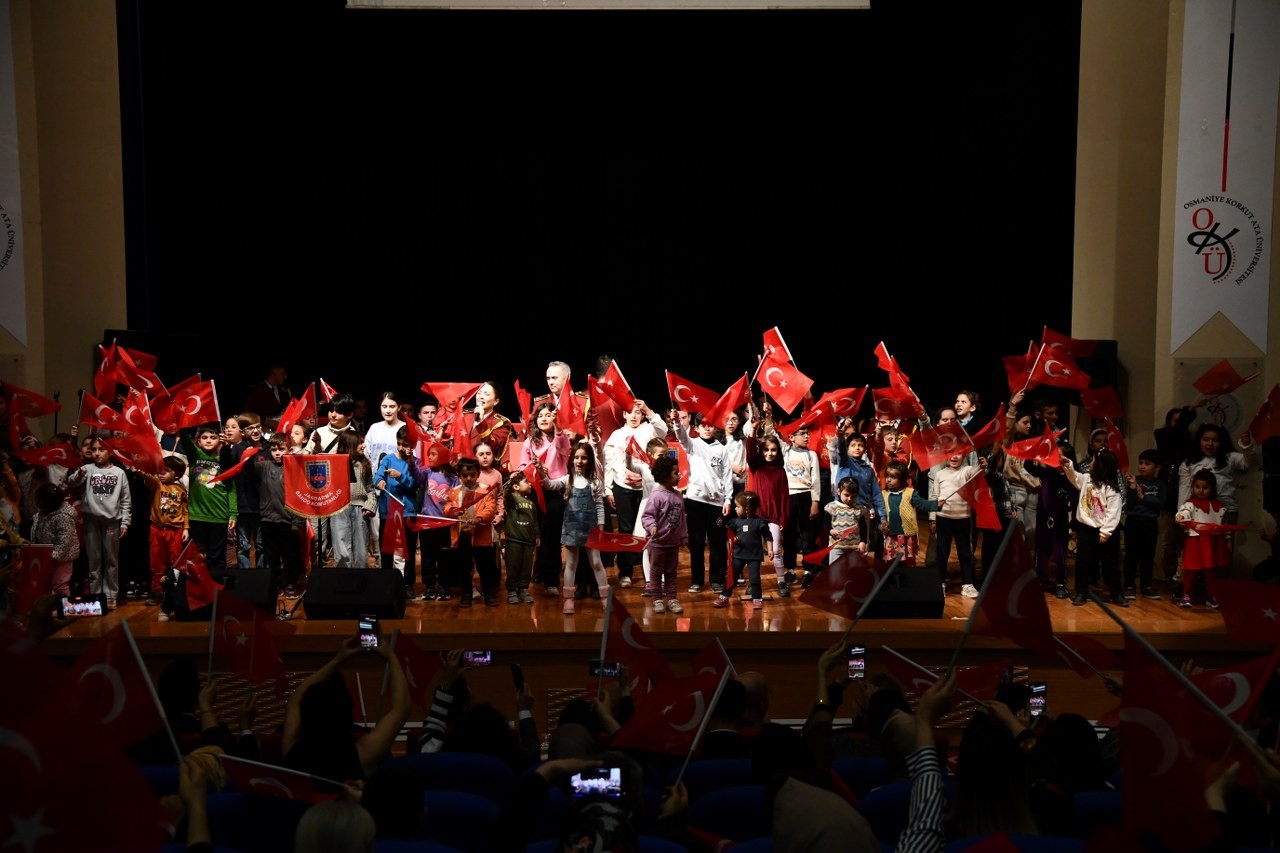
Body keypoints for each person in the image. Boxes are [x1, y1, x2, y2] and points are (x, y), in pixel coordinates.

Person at [283, 636, 410, 784]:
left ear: (305, 713)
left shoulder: (291, 752)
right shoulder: (363, 754)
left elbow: (296, 700)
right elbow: (402, 708)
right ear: (348, 714)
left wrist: (338, 659)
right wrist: (390, 656)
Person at [603, 399, 667, 589]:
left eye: (637, 412)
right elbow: (608, 464)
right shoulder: (616, 435)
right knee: (625, 530)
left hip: (647, 489)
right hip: (622, 487)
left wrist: (648, 410)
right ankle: (625, 572)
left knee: (650, 532)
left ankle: (652, 574)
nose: (634, 416)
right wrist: (608, 489)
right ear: (623, 415)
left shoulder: (648, 429)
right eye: (630, 412)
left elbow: (663, 430)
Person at [544, 432, 608, 615]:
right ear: (572, 460)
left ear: (589, 460)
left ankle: (605, 598)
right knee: (571, 564)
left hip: (591, 528)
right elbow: (550, 485)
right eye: (577, 458)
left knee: (596, 562)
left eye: (584, 458)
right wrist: (542, 473)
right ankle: (568, 600)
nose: (580, 461)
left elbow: (599, 506)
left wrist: (601, 528)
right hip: (572, 528)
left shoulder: (595, 482)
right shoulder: (567, 480)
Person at [66, 436, 132, 608]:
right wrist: (79, 474)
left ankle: (110, 596)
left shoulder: (119, 473)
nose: (96, 453)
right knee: (93, 560)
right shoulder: (87, 469)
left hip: (112, 522)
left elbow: (126, 500)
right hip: (91, 522)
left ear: (110, 451)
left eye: (101, 449)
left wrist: (125, 523)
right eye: (94, 449)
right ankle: (96, 597)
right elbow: (72, 482)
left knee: (111, 560)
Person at [674, 411, 732, 594]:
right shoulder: (692, 444)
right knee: (696, 543)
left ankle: (716, 580)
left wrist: (728, 499)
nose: (707, 428)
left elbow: (727, 476)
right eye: (703, 425)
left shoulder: (721, 449)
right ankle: (697, 581)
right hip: (695, 501)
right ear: (696, 428)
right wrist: (677, 423)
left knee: (717, 544)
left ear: (715, 427)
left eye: (710, 425)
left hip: (716, 503)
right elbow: (681, 436)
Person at [519, 401, 572, 595]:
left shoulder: (562, 437)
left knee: (553, 538)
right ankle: (537, 571)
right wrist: (533, 472)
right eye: (540, 415)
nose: (544, 418)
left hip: (555, 493)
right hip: (534, 492)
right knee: (537, 537)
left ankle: (552, 582)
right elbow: (522, 468)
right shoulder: (529, 442)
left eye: (548, 415)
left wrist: (558, 428)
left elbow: (564, 450)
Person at [1062, 448, 1125, 607]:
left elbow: (1114, 512)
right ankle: (1081, 592)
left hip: (1104, 531)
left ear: (1101, 465)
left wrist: (1106, 531)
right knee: (1082, 563)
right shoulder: (1086, 479)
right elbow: (1074, 477)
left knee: (1110, 564)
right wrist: (1068, 465)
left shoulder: (1111, 489)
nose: (1090, 463)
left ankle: (1116, 593)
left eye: (1093, 461)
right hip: (1086, 530)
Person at [373, 426, 426, 600]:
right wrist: (380, 481)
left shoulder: (415, 463)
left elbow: (413, 485)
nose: (402, 448)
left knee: (408, 550)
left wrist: (400, 476)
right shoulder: (388, 459)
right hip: (387, 511)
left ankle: (407, 584)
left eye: (406, 445)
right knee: (386, 549)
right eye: (399, 444)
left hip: (407, 511)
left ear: (412, 445)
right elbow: (377, 477)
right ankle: (386, 581)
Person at [252, 434, 306, 598]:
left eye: (281, 449)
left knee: (289, 555)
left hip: (287, 520)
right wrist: (250, 447)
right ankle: (277, 582)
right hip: (268, 519)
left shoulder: (294, 467)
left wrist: (297, 521)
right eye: (274, 449)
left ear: (288, 449)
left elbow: (300, 496)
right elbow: (246, 467)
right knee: (271, 555)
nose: (277, 453)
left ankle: (290, 582)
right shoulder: (264, 466)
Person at [178, 424, 236, 576]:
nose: (209, 440)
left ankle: (215, 595)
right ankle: (196, 595)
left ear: (220, 440)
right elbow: (184, 439)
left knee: (217, 560)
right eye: (204, 438)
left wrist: (233, 513)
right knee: (195, 560)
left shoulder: (225, 461)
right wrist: (182, 425)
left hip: (219, 518)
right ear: (198, 441)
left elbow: (231, 489)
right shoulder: (195, 456)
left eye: (213, 437)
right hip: (197, 517)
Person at [131, 455, 189, 606]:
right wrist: (140, 470)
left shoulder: (181, 490)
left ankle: (175, 591)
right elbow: (149, 477)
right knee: (157, 562)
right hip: (156, 529)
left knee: (176, 561)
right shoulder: (157, 484)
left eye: (167, 471)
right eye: (161, 470)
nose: (162, 473)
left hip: (175, 530)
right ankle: (157, 591)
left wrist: (186, 528)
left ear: (177, 474)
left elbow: (185, 511)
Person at [744, 409, 791, 596]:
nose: (769, 453)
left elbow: (784, 498)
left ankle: (781, 582)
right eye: (766, 450)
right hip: (756, 517)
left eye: (773, 450)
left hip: (773, 519)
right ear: (760, 451)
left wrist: (782, 520)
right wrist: (753, 431)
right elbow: (749, 452)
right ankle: (753, 583)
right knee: (754, 552)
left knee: (777, 551)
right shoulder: (756, 467)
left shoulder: (780, 473)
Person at [444, 457, 500, 607]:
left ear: (478, 474)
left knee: (485, 567)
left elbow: (490, 508)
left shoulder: (485, 490)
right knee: (464, 567)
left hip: (481, 536)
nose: (469, 478)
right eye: (464, 475)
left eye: (472, 474)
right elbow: (447, 506)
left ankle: (488, 594)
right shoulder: (454, 492)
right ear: (459, 475)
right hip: (462, 536)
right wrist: (452, 511)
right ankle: (466, 594)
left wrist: (479, 518)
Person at [928, 453, 985, 597]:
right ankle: (940, 582)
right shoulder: (940, 474)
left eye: (958, 453)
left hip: (963, 519)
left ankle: (967, 584)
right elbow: (935, 496)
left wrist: (983, 465)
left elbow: (977, 471)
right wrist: (932, 518)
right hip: (943, 519)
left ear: (964, 455)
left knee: (965, 553)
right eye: (950, 453)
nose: (954, 457)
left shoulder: (966, 471)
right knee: (942, 552)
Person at [1175, 469, 1231, 608]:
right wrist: (1181, 516)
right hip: (1195, 541)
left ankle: (1211, 595)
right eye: (1197, 487)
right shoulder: (1190, 503)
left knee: (1210, 570)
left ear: (1212, 489)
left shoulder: (1219, 506)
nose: (1201, 491)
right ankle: (1186, 594)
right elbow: (1185, 512)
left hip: (1212, 542)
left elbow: (1225, 525)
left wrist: (1228, 539)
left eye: (1205, 488)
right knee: (1191, 569)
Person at [642, 454, 688, 615]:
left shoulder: (678, 496)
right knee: (656, 572)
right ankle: (657, 599)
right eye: (676, 473)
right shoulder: (656, 496)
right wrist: (651, 526)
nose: (679, 475)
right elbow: (647, 516)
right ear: (665, 476)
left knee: (671, 572)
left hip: (672, 544)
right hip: (657, 543)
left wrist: (683, 536)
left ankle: (672, 599)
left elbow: (682, 519)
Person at [881, 460, 941, 567]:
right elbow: (881, 512)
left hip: (906, 535)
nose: (888, 480)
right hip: (891, 535)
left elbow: (922, 504)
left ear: (902, 479)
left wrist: (937, 505)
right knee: (891, 561)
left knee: (907, 561)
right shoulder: (884, 494)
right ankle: (893, 579)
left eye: (893, 477)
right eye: (887, 476)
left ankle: (908, 578)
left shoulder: (910, 493)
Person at [781, 424, 822, 578]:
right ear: (792, 437)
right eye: (802, 434)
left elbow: (816, 480)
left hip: (806, 495)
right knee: (789, 533)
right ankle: (790, 569)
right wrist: (769, 415)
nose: (806, 437)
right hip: (789, 495)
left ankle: (808, 570)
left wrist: (815, 502)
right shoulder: (785, 451)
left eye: (807, 433)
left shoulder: (811, 455)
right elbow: (770, 432)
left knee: (808, 535)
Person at [331, 431, 376, 569]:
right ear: (350, 444)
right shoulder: (335, 463)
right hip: (340, 509)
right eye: (360, 443)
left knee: (361, 551)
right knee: (342, 550)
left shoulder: (364, 464)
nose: (364, 446)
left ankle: (361, 583)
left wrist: (370, 505)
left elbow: (370, 489)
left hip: (360, 510)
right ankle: (342, 582)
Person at [1123, 448, 1164, 599]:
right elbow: (1130, 503)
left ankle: (1146, 586)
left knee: (1148, 556)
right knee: (1131, 556)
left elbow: (1159, 503)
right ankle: (1129, 585)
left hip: (1150, 523)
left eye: (1147, 463)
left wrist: (1143, 497)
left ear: (1157, 467)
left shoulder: (1160, 484)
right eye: (1141, 463)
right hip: (1133, 522)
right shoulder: (1135, 480)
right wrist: (1133, 488)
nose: (1142, 466)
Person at [721, 489, 772, 608]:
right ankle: (724, 596)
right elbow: (729, 533)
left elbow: (768, 536)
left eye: (737, 507)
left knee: (754, 579)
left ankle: (757, 598)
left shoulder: (759, 522)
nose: (735, 509)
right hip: (738, 555)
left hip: (754, 556)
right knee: (731, 577)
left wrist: (770, 549)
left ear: (747, 509)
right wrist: (733, 539)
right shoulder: (735, 521)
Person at [29, 483, 79, 597]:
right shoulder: (41, 514)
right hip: (45, 556)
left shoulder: (63, 516)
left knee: (59, 584)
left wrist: (53, 556)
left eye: (39, 499)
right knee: (46, 585)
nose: (37, 501)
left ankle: (64, 610)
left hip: (62, 558)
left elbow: (65, 540)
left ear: (47, 501)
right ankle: (50, 609)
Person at [503, 470, 539, 604]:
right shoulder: (511, 498)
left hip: (528, 541)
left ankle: (523, 589)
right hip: (514, 540)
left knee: (526, 568)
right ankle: (512, 590)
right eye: (526, 482)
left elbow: (535, 521)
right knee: (513, 566)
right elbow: (505, 492)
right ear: (516, 487)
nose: (530, 484)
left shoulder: (531, 504)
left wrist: (537, 535)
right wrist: (509, 480)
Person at [825, 476, 870, 562]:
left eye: (853, 496)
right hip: (837, 548)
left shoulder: (860, 509)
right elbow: (825, 524)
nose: (849, 499)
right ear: (839, 491)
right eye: (847, 495)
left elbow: (863, 528)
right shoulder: (831, 507)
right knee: (835, 573)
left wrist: (863, 542)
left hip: (854, 548)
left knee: (852, 574)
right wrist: (831, 531)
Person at [362, 391, 405, 475]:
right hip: (376, 482)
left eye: (392, 407)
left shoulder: (406, 428)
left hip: (399, 482)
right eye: (384, 406)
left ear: (399, 407)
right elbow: (366, 454)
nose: (388, 411)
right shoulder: (374, 428)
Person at [243, 363, 289, 429]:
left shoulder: (283, 391)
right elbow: (248, 413)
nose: (285, 377)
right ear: (274, 371)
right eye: (283, 373)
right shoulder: (256, 391)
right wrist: (267, 421)